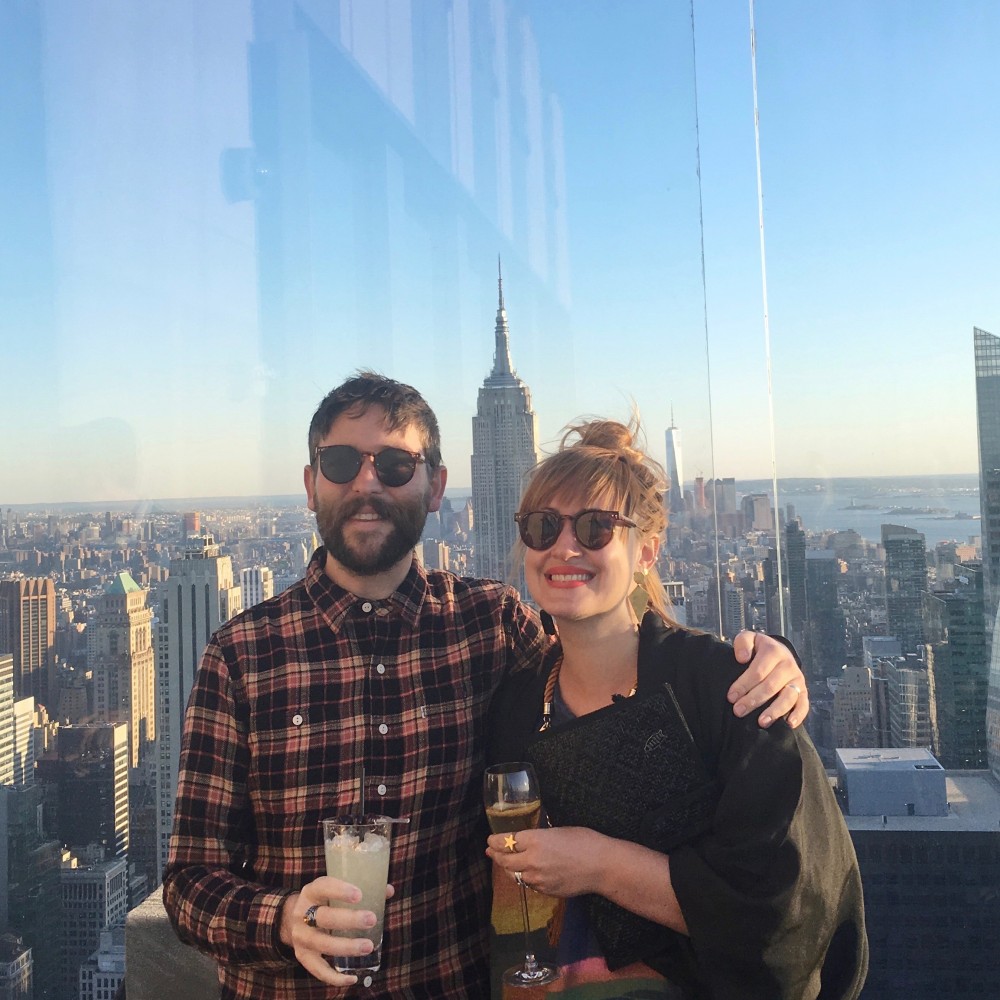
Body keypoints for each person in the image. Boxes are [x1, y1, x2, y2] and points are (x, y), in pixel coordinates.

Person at [162, 372, 811, 1000]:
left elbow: (603, 671)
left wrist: (761, 663)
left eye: (394, 466)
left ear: (436, 486)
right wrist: (280, 918)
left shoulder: (490, 626)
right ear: (310, 485)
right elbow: (189, 881)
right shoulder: (243, 654)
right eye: (339, 463)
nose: (366, 483)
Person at [486, 417, 867, 1000]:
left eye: (595, 527)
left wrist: (601, 864)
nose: (565, 546)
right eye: (542, 526)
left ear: (648, 549)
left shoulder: (729, 691)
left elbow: (780, 914)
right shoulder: (517, 698)